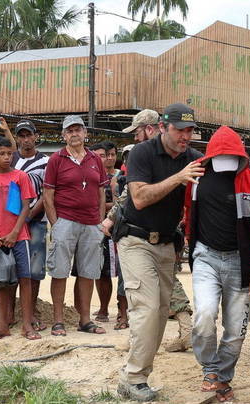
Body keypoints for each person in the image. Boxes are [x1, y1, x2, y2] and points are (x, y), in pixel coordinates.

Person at [116, 104, 204, 401]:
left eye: (190, 130)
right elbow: (139, 198)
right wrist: (179, 178)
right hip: (135, 240)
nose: (186, 136)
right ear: (163, 128)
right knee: (148, 308)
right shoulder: (142, 153)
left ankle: (135, 376)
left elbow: (225, 176)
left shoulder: (193, 158)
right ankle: (134, 378)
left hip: (167, 244)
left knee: (161, 311)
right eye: (180, 130)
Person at [184, 126, 250, 403]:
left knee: (235, 330)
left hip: (240, 262)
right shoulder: (195, 176)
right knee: (204, 315)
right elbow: (186, 210)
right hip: (206, 257)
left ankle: (223, 377)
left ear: (241, 158)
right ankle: (211, 371)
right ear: (210, 157)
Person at [103, 109, 195, 352]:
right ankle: (139, 344)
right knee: (145, 298)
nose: (135, 137)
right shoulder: (144, 155)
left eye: (138, 131)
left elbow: (128, 198)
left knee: (162, 294)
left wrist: (110, 218)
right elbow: (130, 197)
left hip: (165, 235)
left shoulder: (178, 156)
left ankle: (184, 332)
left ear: (152, 128)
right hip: (138, 235)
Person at [44, 115, 108, 337]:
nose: (74, 134)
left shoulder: (95, 159)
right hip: (66, 221)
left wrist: (100, 222)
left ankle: (85, 320)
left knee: (88, 273)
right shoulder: (56, 159)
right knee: (59, 271)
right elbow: (48, 194)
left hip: (92, 224)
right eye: (69, 130)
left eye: (78, 129)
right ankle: (58, 321)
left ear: (85, 133)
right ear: (63, 135)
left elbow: (101, 192)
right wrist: (56, 224)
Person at [0, 136, 39, 343]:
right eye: (1, 154)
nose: (6, 157)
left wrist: (15, 232)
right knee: (0, 282)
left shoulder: (21, 176)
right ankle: (2, 325)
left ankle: (27, 324)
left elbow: (25, 206)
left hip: (19, 236)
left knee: (25, 279)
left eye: (9, 154)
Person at [11, 120, 50, 332]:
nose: (25, 139)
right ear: (17, 138)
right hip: (11, 222)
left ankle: (31, 312)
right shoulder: (10, 158)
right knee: (11, 268)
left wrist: (31, 214)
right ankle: (9, 313)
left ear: (36, 136)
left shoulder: (46, 161)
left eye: (29, 135)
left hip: (36, 221)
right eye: (21, 136)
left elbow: (47, 192)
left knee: (34, 270)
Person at [89, 141, 119, 324]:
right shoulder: (92, 175)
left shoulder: (121, 176)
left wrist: (101, 206)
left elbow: (122, 202)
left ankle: (122, 310)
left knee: (121, 273)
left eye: (112, 154)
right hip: (96, 227)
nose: (108, 158)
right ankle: (103, 308)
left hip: (117, 229)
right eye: (102, 155)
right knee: (101, 271)